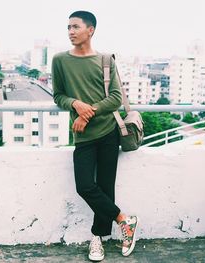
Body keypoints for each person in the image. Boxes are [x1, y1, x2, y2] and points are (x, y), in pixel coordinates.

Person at [52, 10, 138, 261]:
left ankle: (97, 239)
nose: (70, 31)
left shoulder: (105, 59)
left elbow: (115, 98)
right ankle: (125, 220)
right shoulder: (60, 60)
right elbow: (58, 95)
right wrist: (75, 103)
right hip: (84, 137)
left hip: (108, 132)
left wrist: (87, 112)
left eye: (75, 27)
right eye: (68, 27)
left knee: (105, 187)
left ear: (91, 30)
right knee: (85, 186)